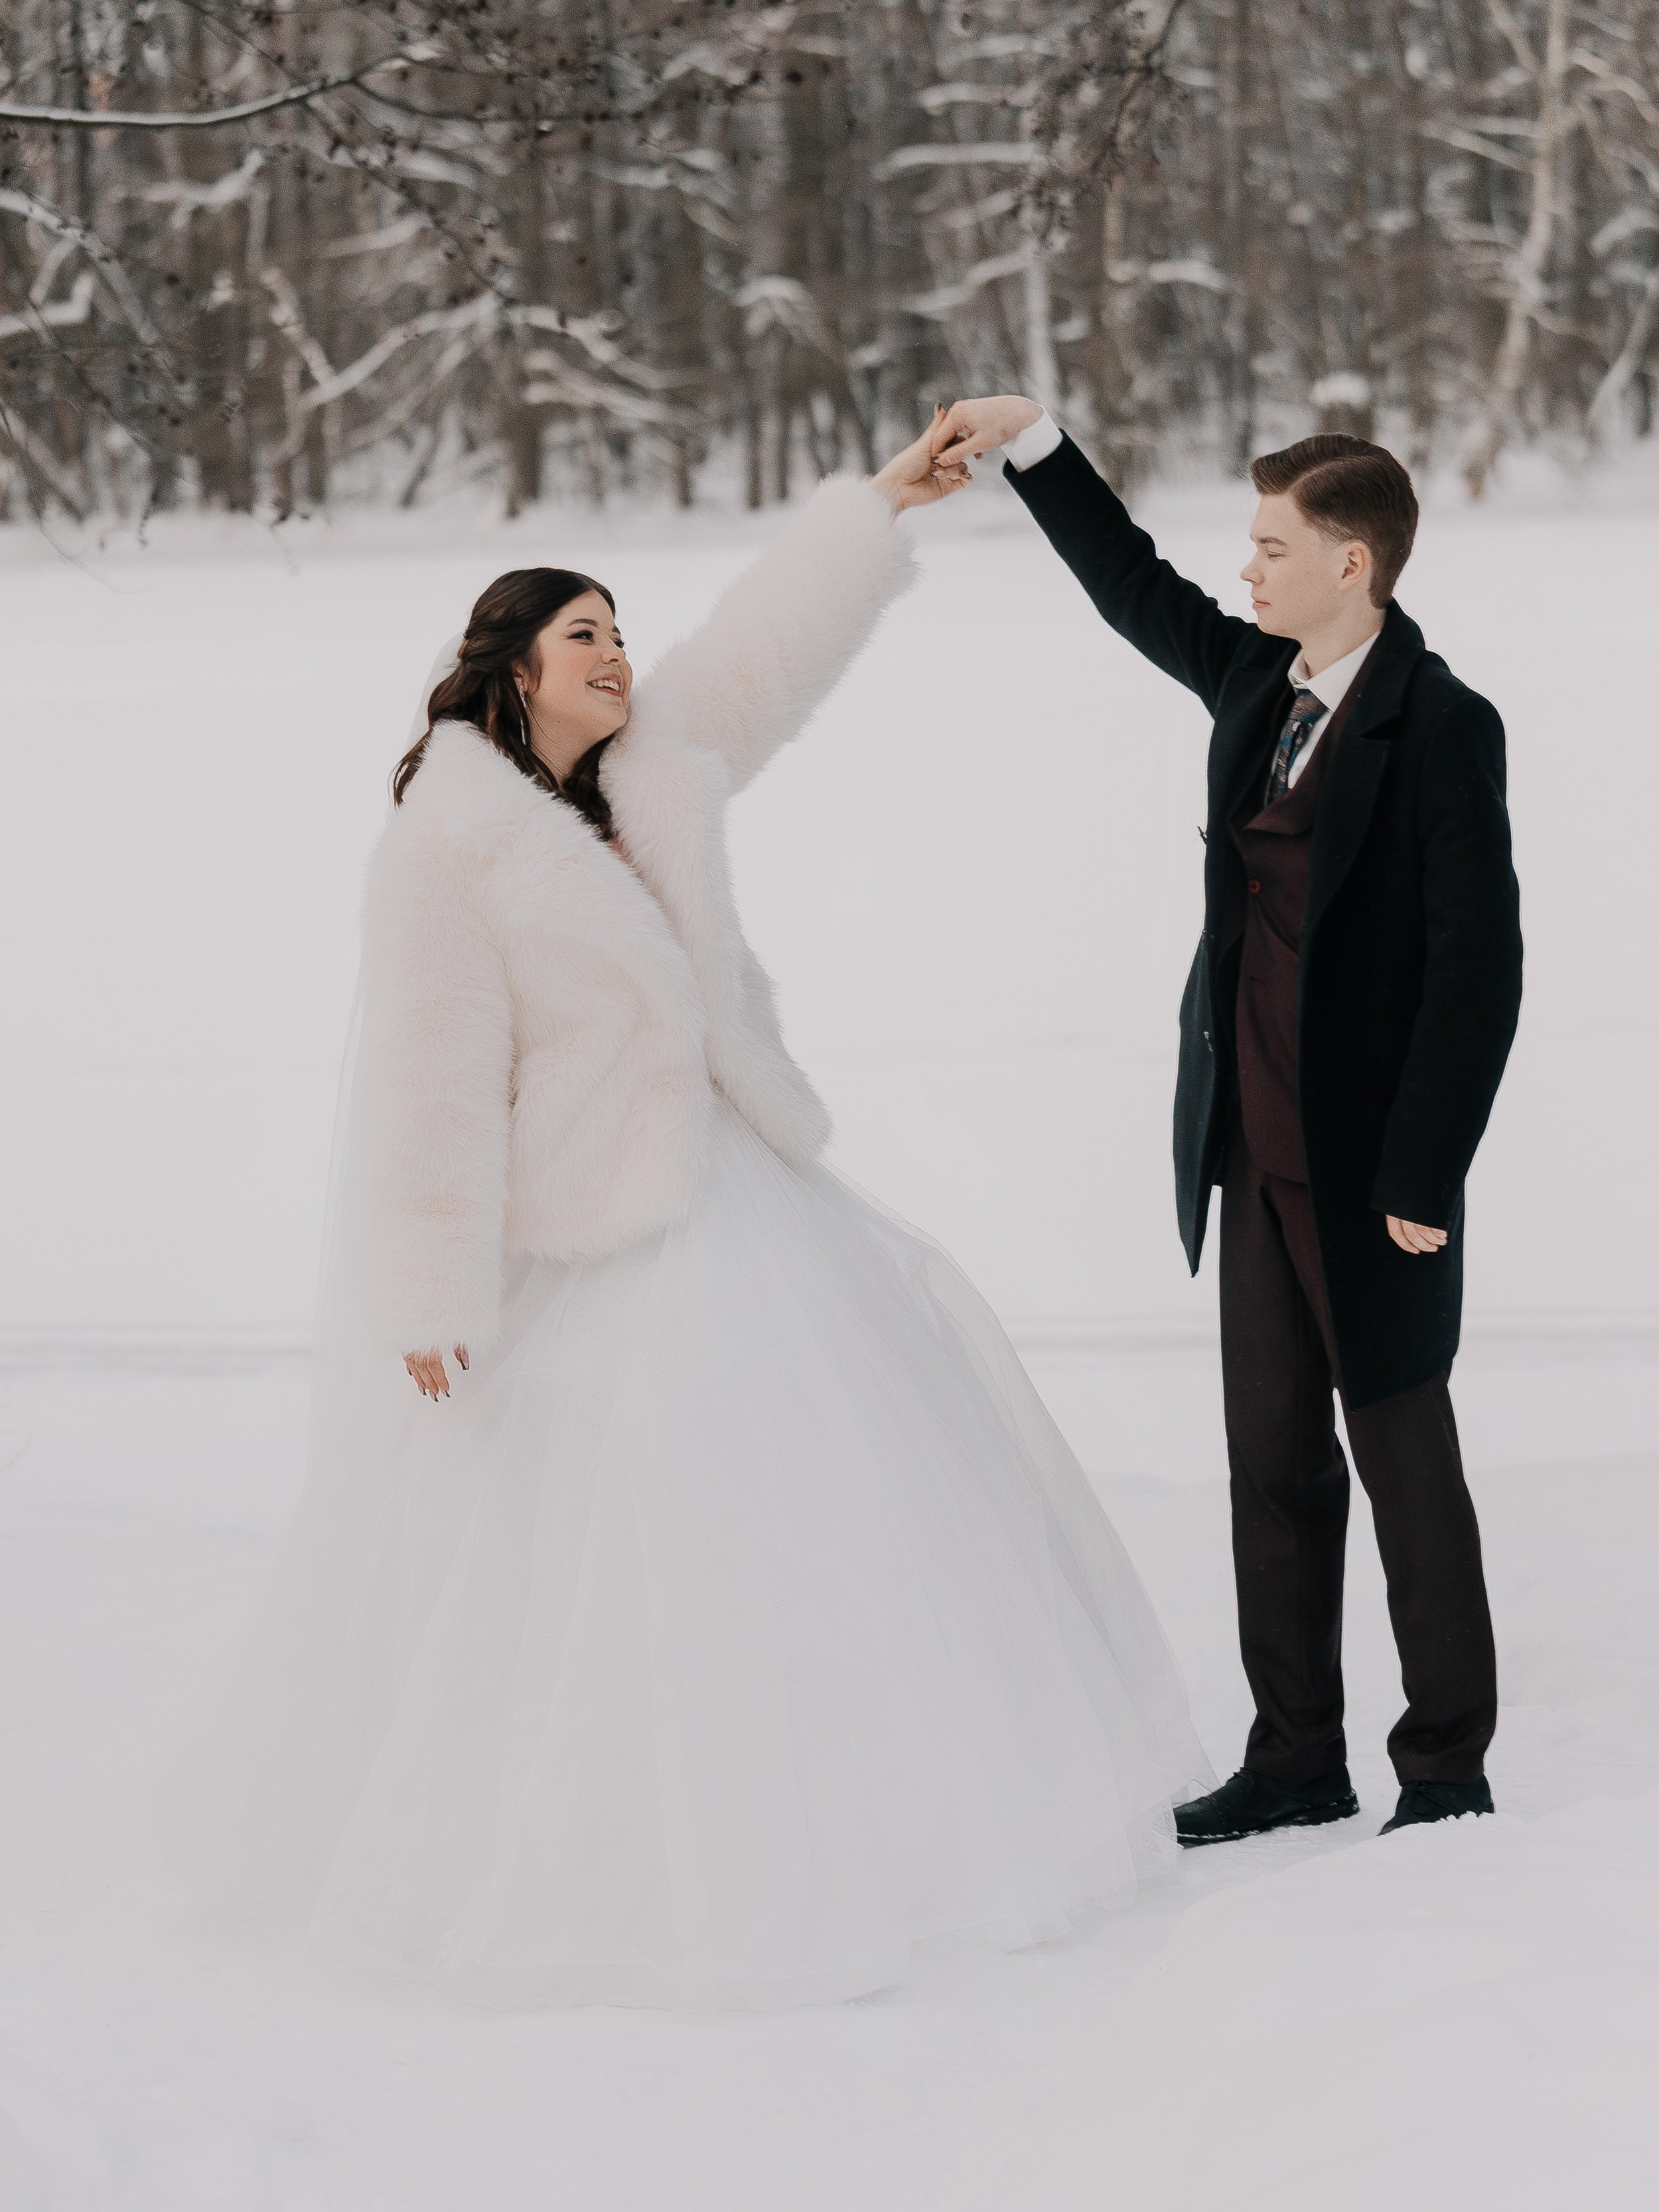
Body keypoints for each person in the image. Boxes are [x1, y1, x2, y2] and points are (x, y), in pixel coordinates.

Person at [149, 413, 1211, 2012]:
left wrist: (880, 504)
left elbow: (763, 655)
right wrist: (430, 1291)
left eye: (619, 630)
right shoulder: (445, 848)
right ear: (510, 670)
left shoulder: (647, 766)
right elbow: (433, 1085)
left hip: (735, 1194)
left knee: (813, 1522)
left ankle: (859, 1823)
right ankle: (610, 1860)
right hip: (587, 1232)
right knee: (598, 1565)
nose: (617, 656)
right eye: (583, 636)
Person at [933, 398, 1522, 1842]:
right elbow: (1131, 585)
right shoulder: (1256, 682)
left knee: (1404, 1463)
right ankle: (1296, 1755)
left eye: (1270, 548)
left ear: (1352, 564)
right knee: (1271, 1464)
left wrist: (1423, 1170)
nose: (1244, 570)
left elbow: (1478, 969)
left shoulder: (1442, 725)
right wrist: (1034, 446)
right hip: (1247, 1149)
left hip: (1371, 1172)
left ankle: (1444, 1763)